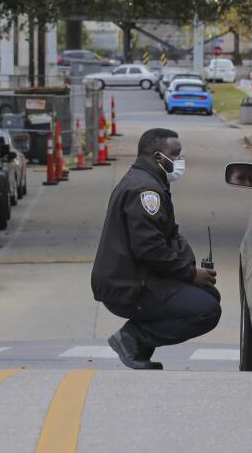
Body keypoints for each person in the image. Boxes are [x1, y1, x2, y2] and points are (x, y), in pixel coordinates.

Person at [91, 127, 221, 370]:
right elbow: (149, 248)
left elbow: (163, 238)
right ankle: (133, 338)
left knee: (209, 296)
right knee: (206, 310)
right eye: (176, 154)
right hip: (130, 286)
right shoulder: (146, 191)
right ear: (158, 157)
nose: (180, 161)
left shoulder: (146, 181)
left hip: (140, 279)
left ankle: (137, 345)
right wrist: (190, 274)